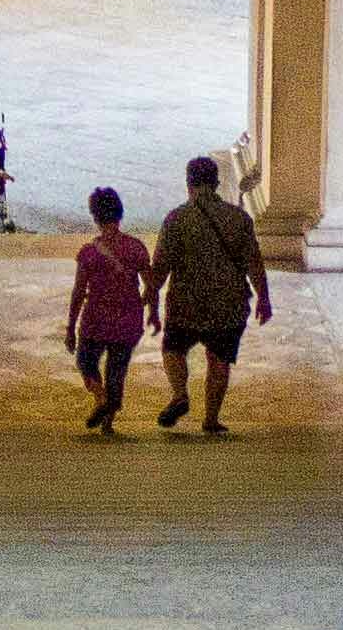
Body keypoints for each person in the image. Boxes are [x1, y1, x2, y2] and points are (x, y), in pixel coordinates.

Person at [150, 154, 271, 435]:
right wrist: (264, 298)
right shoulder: (238, 218)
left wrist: (150, 297)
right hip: (227, 303)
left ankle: (180, 393)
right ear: (216, 183)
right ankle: (211, 419)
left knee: (173, 349)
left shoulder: (176, 219)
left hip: (186, 303)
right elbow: (254, 262)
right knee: (219, 360)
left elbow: (161, 266)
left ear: (189, 184)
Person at [66, 185, 153, 435]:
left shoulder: (89, 253)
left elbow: (78, 292)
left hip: (96, 319)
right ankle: (108, 422)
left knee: (86, 362)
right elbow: (151, 285)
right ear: (120, 213)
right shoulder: (135, 247)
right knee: (117, 370)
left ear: (95, 217)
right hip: (128, 320)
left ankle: (100, 398)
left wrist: (71, 328)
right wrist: (147, 307)